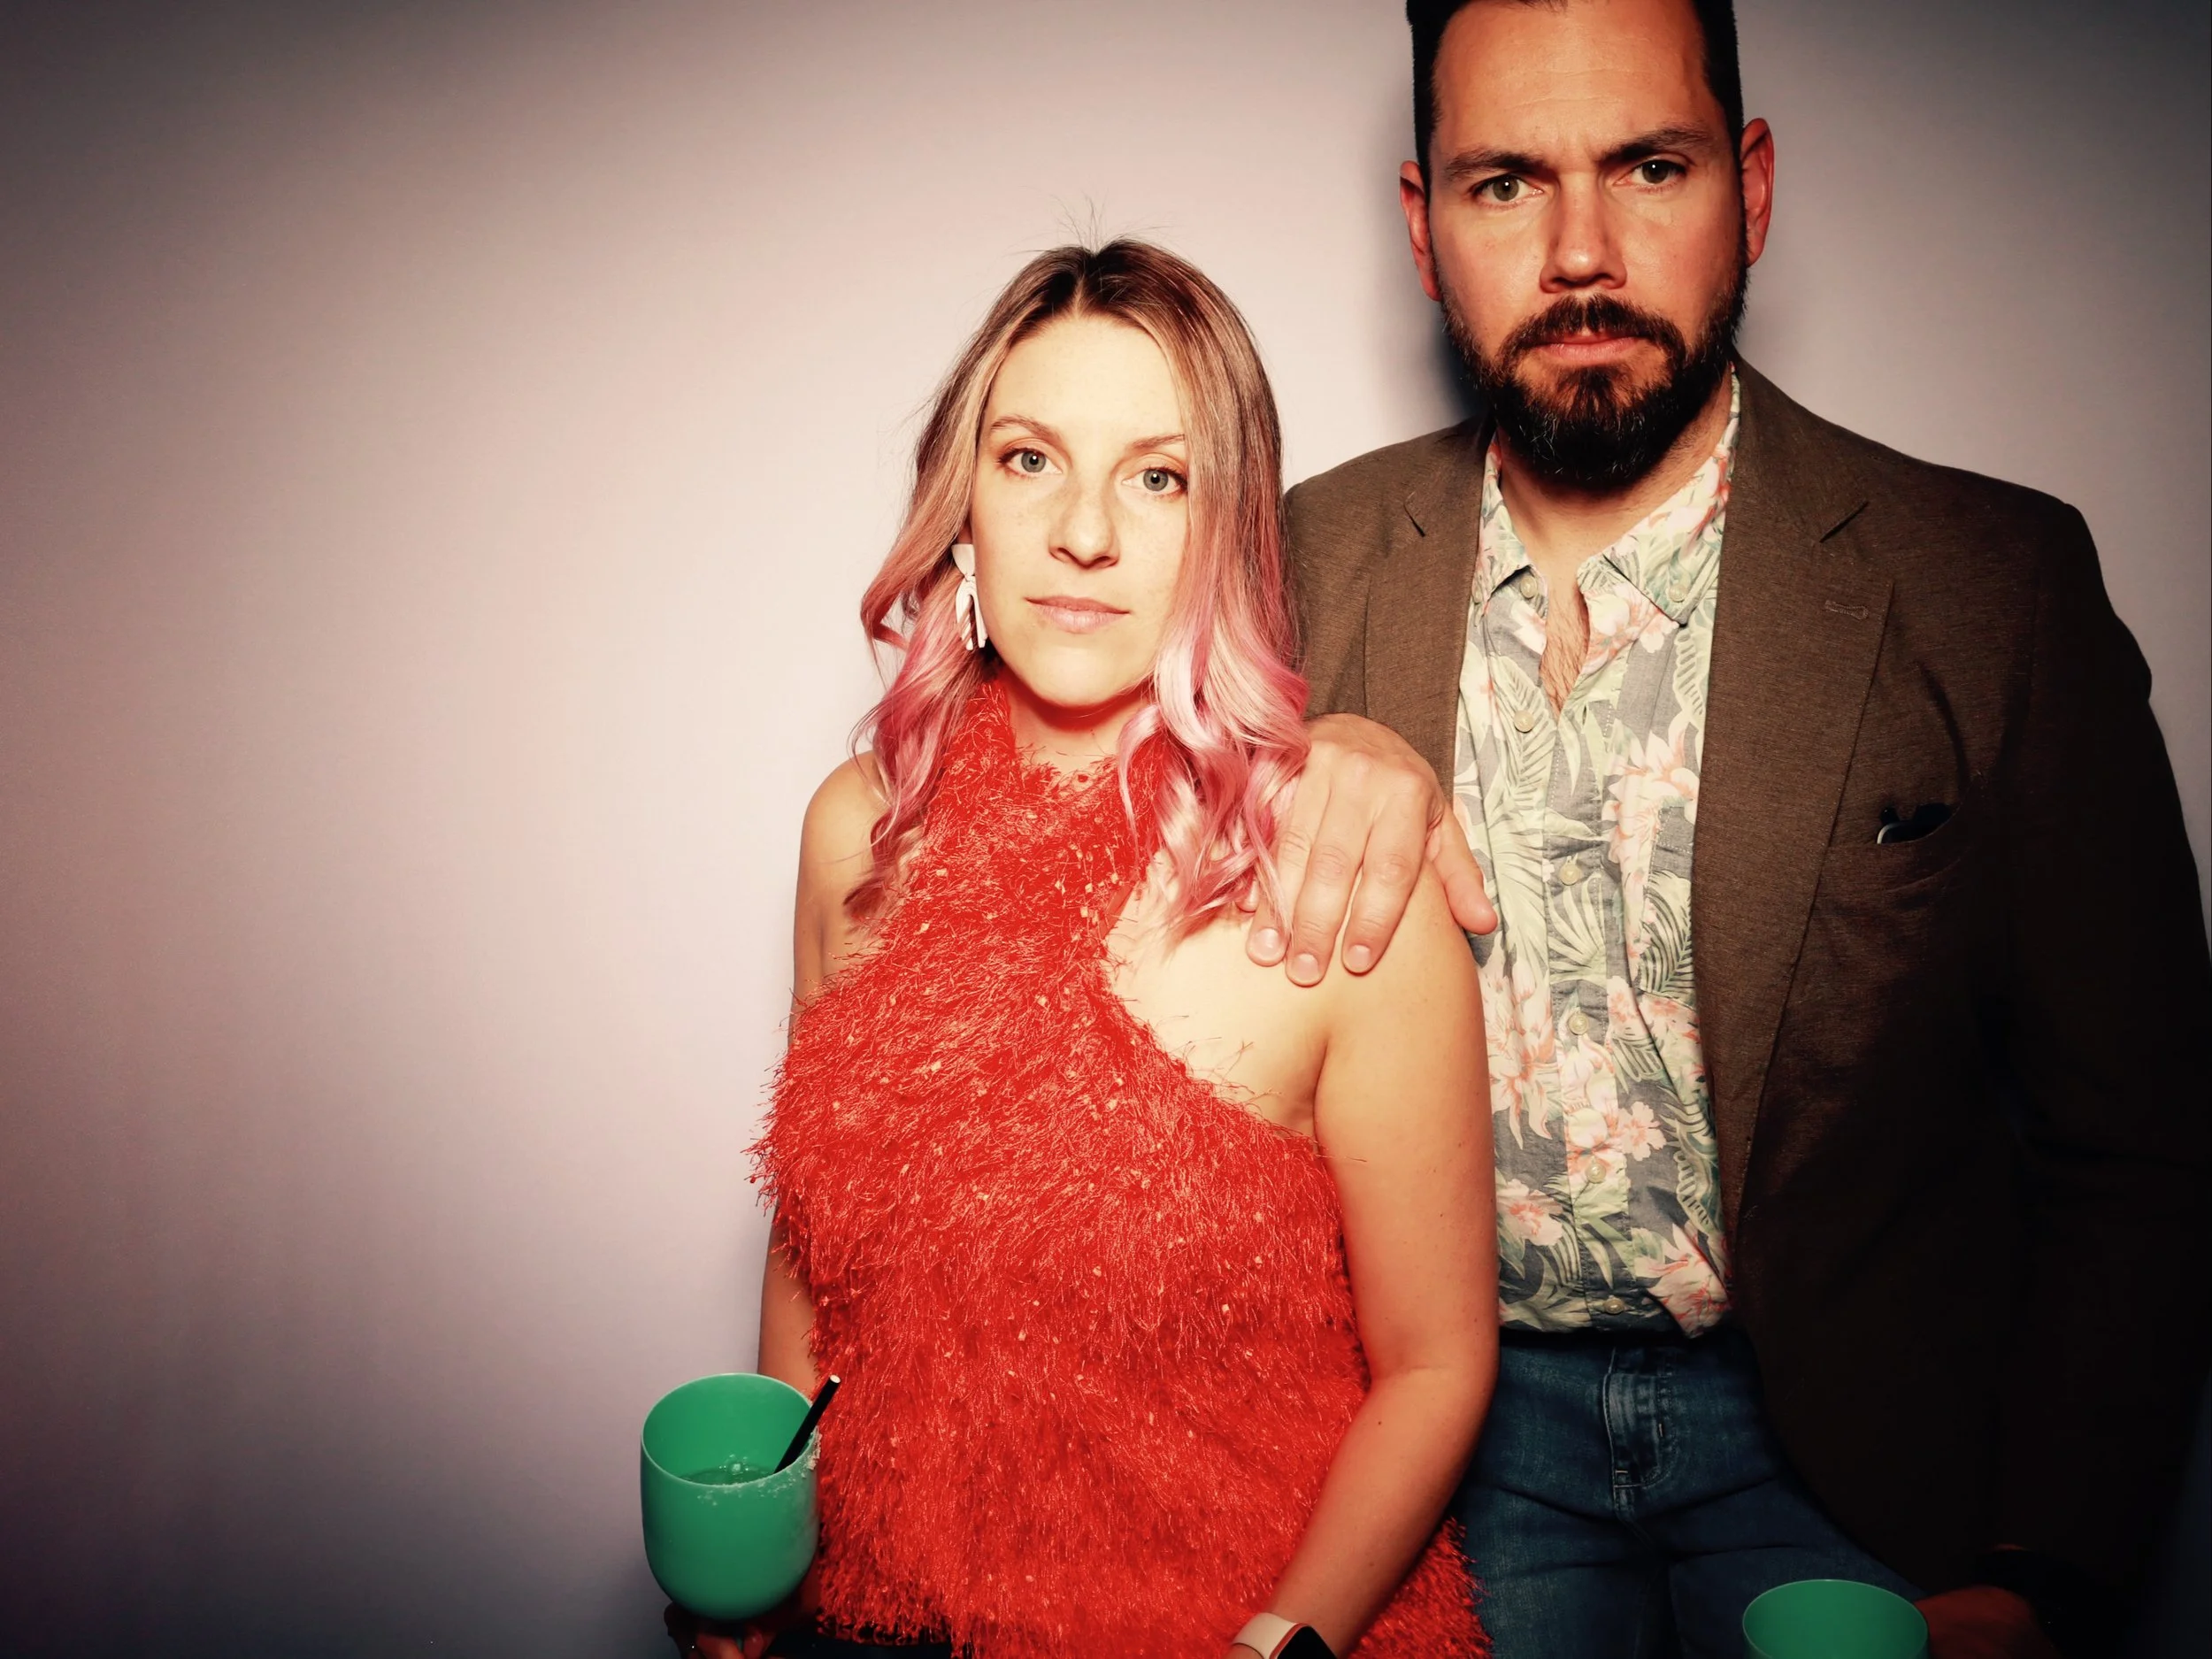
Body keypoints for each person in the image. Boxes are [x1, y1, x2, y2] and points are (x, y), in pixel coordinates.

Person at [1243, 2, 2212, 1656]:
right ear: (1422, 225)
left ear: (1750, 188)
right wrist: (1295, 745)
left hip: (1858, 1450)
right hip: (1437, 1445)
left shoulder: (1996, 589)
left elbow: (2143, 1139)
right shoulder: (1291, 566)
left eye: (1650, 164)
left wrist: (2052, 1573)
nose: (1580, 251)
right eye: (1502, 184)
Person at [675, 240, 1496, 1659]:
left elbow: (1436, 1363)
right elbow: (814, 1231)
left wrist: (1276, 1644)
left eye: (1158, 475)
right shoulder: (852, 831)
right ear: (963, 498)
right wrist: (766, 1536)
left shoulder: (1338, 880)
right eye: (1031, 458)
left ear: (1226, 523)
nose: (1086, 532)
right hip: (870, 1619)